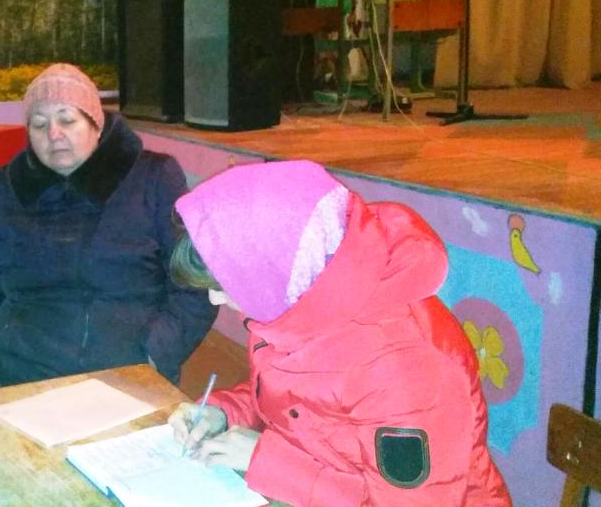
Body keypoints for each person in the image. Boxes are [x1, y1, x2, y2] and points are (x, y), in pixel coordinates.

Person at [166, 160, 512, 506]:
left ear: (271, 269)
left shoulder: (403, 367)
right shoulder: (296, 297)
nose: (214, 299)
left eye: (222, 285)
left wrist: (266, 460)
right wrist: (224, 413)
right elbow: (297, 402)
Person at [0, 63, 217, 393]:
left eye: (67, 120)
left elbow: (195, 281)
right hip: (25, 373)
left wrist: (155, 352)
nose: (54, 134)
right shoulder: (6, 188)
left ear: (96, 124)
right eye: (39, 124)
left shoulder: (154, 178)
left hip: (130, 373)